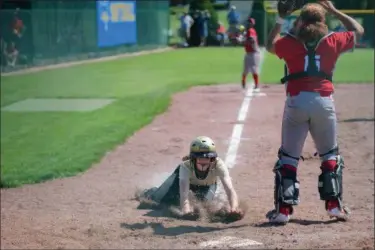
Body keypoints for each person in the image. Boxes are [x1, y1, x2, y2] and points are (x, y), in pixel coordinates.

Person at [264, 1, 364, 224]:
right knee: (330, 155)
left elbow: (269, 45)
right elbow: (358, 30)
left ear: (301, 22)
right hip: (324, 101)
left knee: (288, 157)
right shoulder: (333, 40)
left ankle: (283, 211)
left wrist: (281, 18)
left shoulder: (290, 42)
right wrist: (333, 10)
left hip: (297, 101)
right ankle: (334, 207)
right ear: (323, 22)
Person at [141, 136, 242, 218]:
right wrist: (187, 212)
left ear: (212, 159)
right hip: (180, 181)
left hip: (206, 185)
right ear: (193, 159)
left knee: (204, 205)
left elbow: (230, 190)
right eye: (200, 158)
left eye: (207, 158)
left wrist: (234, 209)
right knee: (161, 200)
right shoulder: (185, 166)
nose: (204, 162)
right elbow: (184, 194)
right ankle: (150, 192)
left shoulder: (219, 165)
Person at [242, 17, 260, 90]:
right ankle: (243, 82)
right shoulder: (250, 31)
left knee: (253, 69)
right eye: (248, 22)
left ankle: (256, 84)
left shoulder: (250, 31)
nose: (248, 24)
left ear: (252, 24)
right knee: (246, 69)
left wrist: (243, 41)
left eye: (249, 22)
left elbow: (251, 40)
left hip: (253, 53)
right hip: (249, 53)